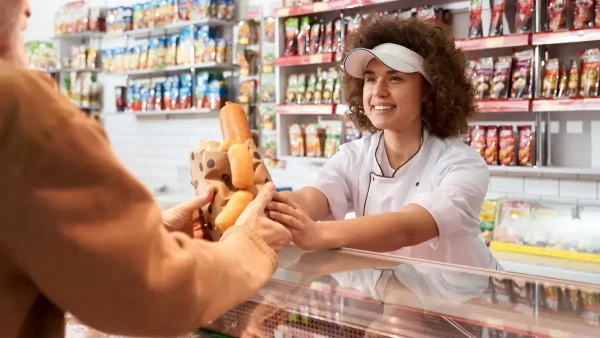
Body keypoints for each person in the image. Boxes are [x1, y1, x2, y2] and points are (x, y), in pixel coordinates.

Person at [0, 1, 291, 338]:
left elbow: (49, 256)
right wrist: (248, 247)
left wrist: (152, 236)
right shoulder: (18, 103)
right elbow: (147, 296)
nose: (29, 9)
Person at [267, 16, 499, 270]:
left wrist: (320, 234)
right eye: (370, 78)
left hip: (461, 301)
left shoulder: (462, 164)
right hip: (396, 294)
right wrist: (276, 210)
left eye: (395, 78)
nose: (378, 91)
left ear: (428, 91)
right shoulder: (354, 156)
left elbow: (407, 227)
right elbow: (313, 196)